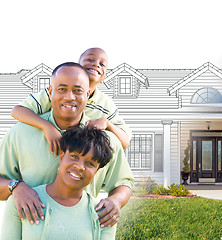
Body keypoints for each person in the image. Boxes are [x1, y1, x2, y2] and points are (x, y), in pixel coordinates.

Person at [0, 62, 134, 229]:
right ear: (50, 92)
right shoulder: (19, 134)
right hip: (30, 232)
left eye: (77, 91)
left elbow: (123, 183)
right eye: (62, 89)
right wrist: (15, 187)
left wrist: (116, 200)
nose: (70, 97)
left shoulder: (106, 141)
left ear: (88, 94)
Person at [1, 125, 117, 239]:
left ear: (96, 172)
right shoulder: (22, 201)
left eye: (90, 163)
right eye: (74, 156)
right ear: (61, 157)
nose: (80, 167)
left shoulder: (104, 214)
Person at [11, 47, 131, 154]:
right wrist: (46, 126)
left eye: (102, 64)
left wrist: (107, 123)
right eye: (90, 60)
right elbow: (17, 111)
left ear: (104, 77)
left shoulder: (106, 104)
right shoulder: (56, 93)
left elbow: (125, 142)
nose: (96, 65)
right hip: (45, 148)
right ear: (77, 66)